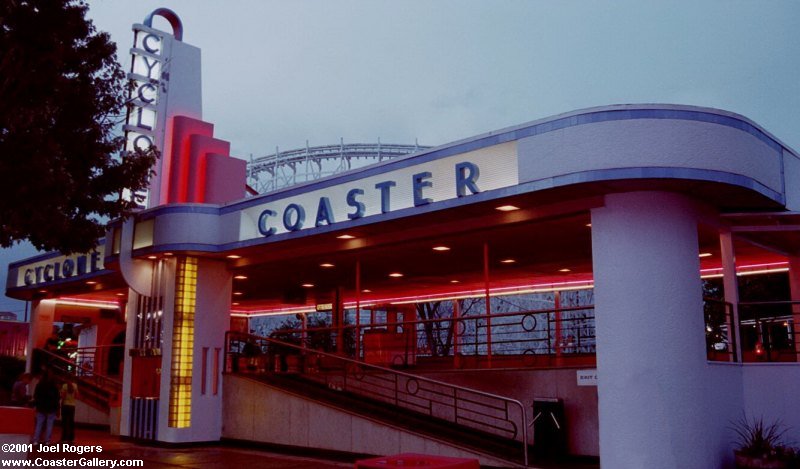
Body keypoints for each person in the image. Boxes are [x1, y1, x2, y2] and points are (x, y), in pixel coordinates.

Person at [31, 371, 60, 445]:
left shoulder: (39, 385)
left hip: (41, 406)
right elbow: (57, 398)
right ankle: (47, 440)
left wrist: (36, 405)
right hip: (51, 407)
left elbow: (36, 396)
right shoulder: (54, 386)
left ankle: (36, 440)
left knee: (39, 423)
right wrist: (57, 408)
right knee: (49, 423)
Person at [59, 377, 78, 443]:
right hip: (72, 405)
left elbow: (63, 396)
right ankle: (71, 438)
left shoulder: (64, 386)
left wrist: (61, 403)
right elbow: (76, 396)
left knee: (64, 422)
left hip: (65, 405)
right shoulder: (75, 386)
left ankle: (64, 438)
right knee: (71, 422)